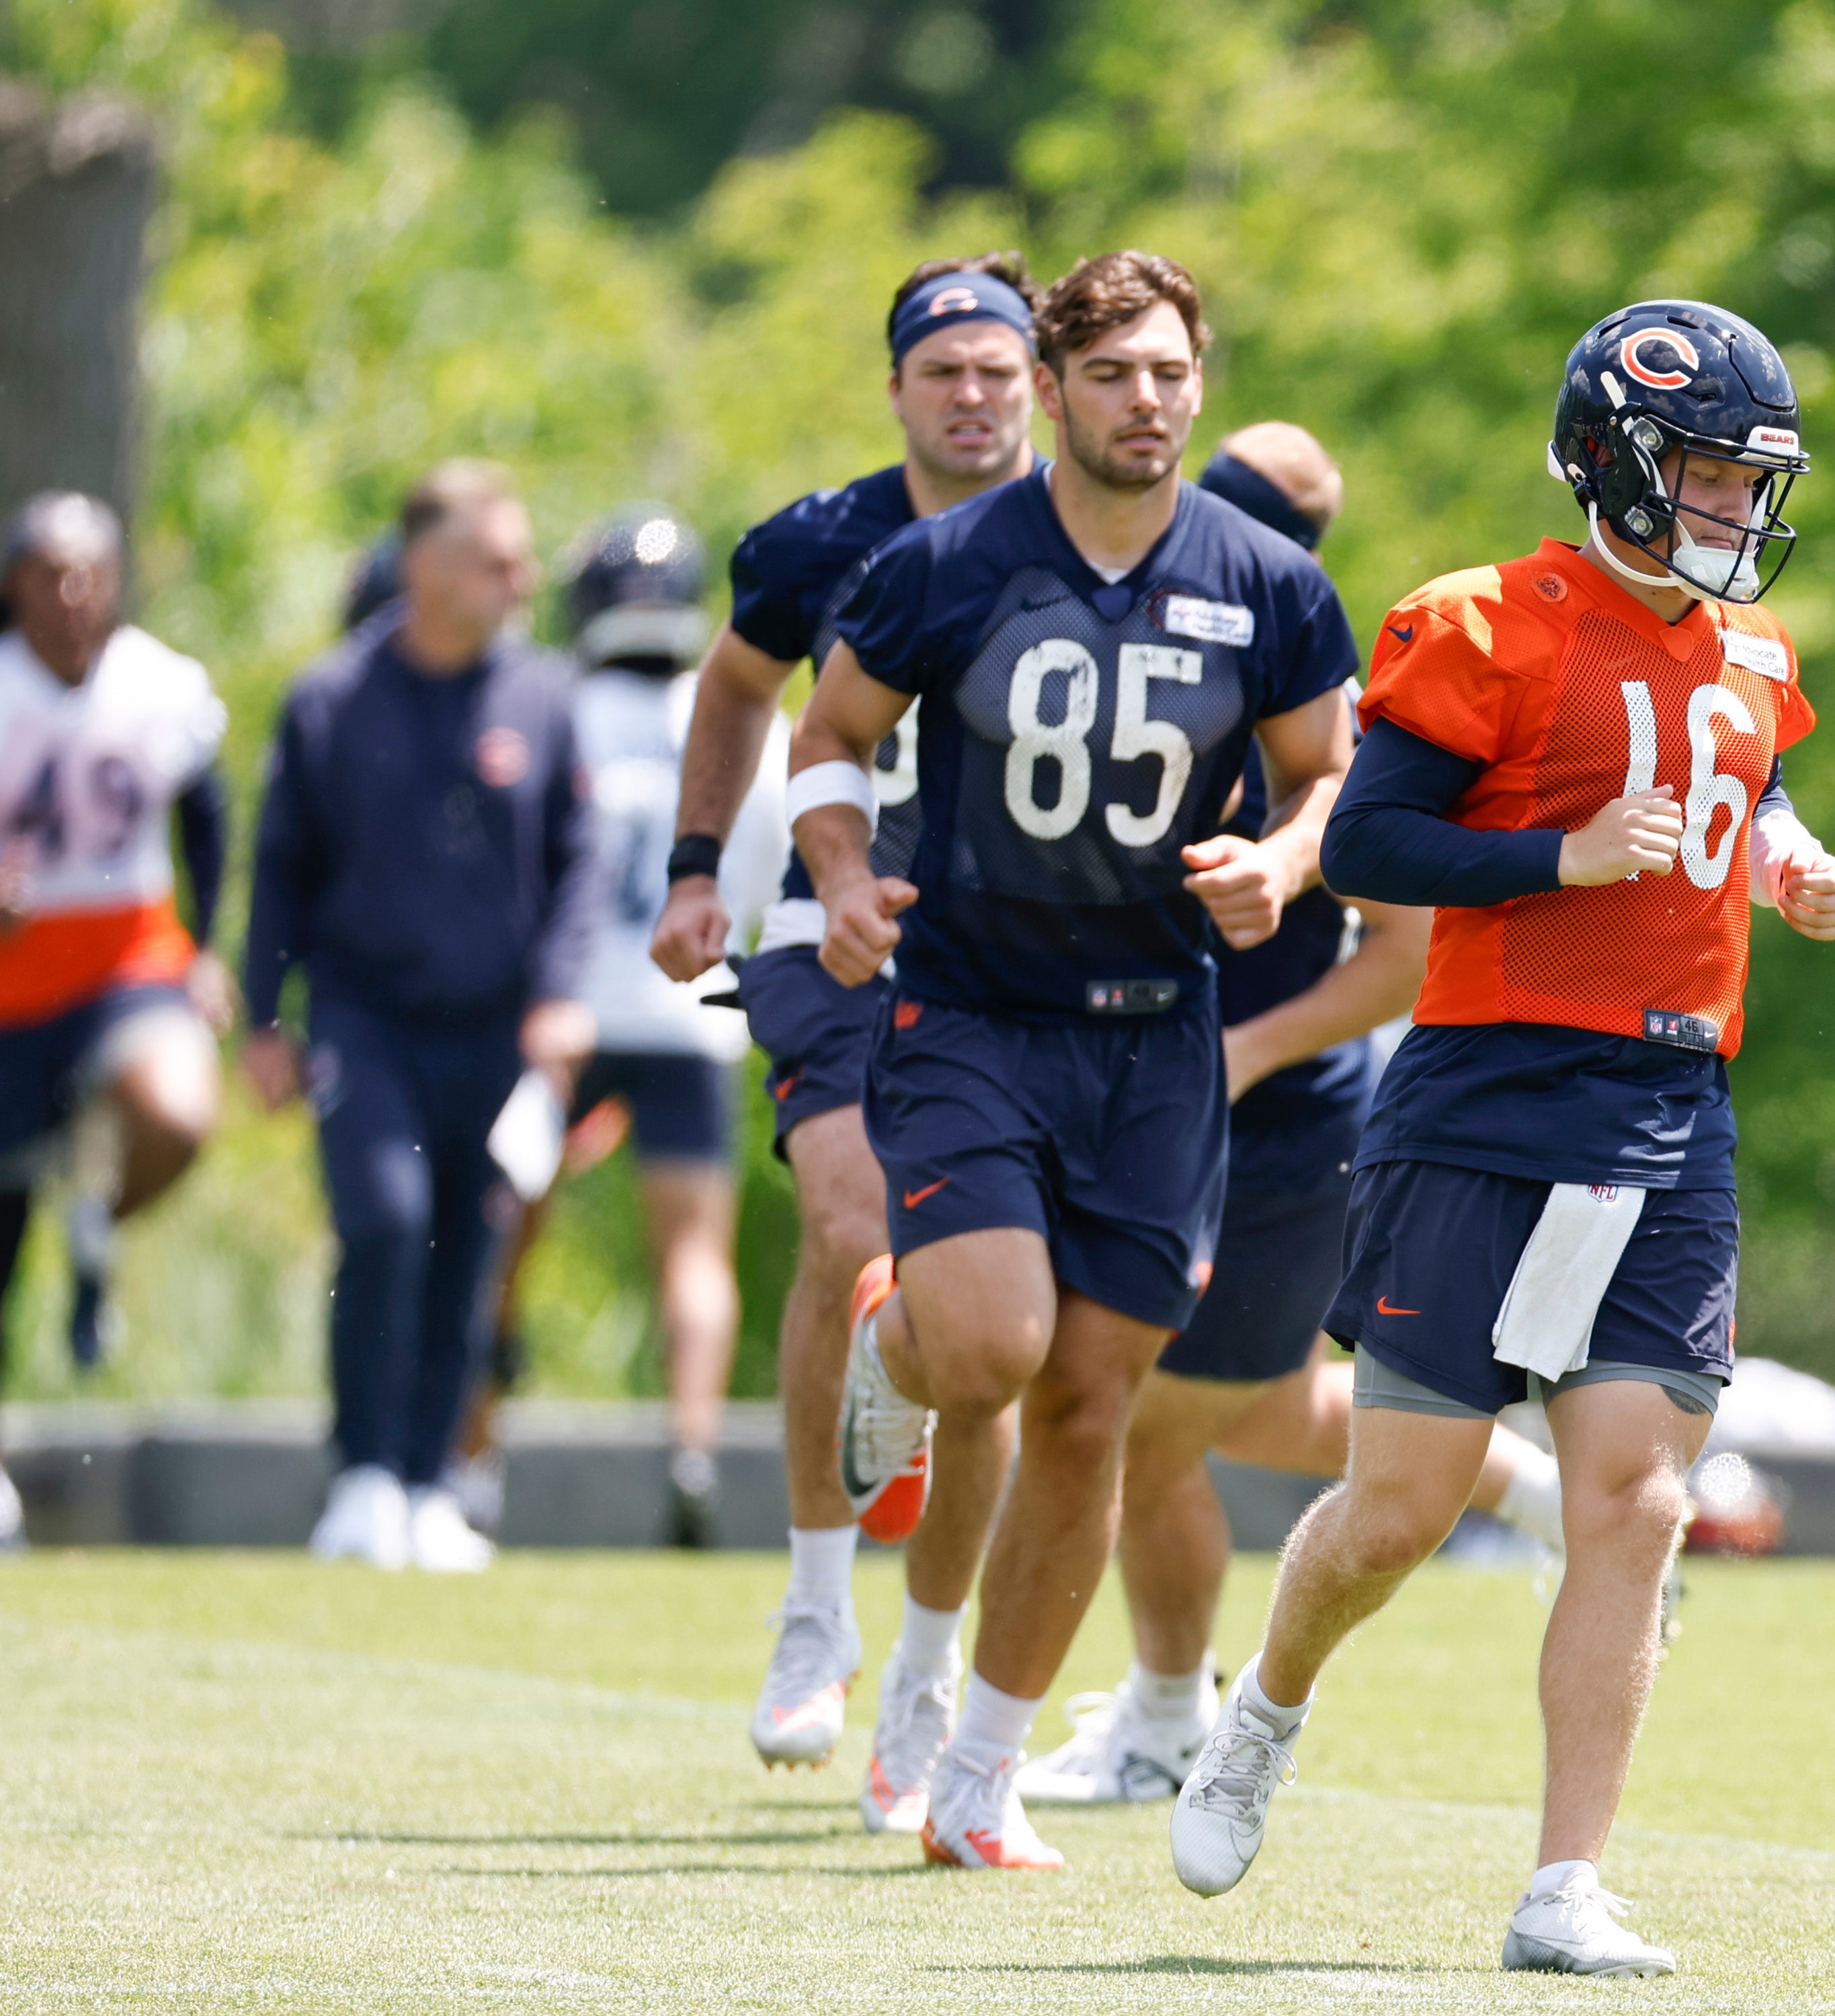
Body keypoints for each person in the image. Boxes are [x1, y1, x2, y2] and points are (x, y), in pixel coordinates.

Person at [1168, 300, 1835, 1976]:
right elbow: (1371, 843)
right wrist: (1560, 858)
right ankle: (1260, 1706)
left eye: (1742, 476)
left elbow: (1740, 784)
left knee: (1631, 1496)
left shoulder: (1750, 653)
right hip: (1485, 1091)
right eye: (1699, 470)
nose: (1726, 508)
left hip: (1669, 1098)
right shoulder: (1483, 622)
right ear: (1616, 466)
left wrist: (1785, 859)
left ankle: (1563, 1881)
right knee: (1396, 1506)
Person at [792, 249, 1358, 1871]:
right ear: (1050, 392)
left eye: (1172, 372)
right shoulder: (947, 561)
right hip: (972, 1008)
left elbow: (1325, 774)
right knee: (989, 1349)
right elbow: (826, 735)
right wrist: (839, 880)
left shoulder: (1267, 580)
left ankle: (977, 1774)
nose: (1147, 402)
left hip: (1154, 1037)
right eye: (1111, 374)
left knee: (1093, 1401)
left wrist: (1287, 862)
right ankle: (890, 1347)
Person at [1011, 424, 1570, 1810]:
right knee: (1228, 1404)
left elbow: (1400, 950)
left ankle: (1163, 1716)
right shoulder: (1147, 659)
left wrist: (1235, 1057)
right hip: (1152, 1096)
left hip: (1277, 1116)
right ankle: (1518, 1486)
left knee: (1147, 1419)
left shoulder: (1323, 714)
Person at [646, 254, 1040, 1797]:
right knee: (846, 1217)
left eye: (996, 369)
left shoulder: (1098, 539)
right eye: (942, 368)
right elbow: (736, 684)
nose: (970, 393)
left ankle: (927, 1673)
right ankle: (815, 1606)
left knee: (988, 1333)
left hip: (1025, 961)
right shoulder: (818, 537)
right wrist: (693, 870)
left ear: (1037, 384)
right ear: (896, 387)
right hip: (839, 924)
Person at [244, 460, 600, 1575]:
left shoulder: (543, 698)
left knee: (469, 1246)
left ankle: (430, 1479)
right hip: (365, 1019)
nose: (523, 578)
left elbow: (580, 862)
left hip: (497, 1030)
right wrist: (262, 1016)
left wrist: (559, 998)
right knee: (387, 1222)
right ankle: (361, 1473)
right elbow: (281, 868)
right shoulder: (332, 700)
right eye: (499, 560)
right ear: (429, 568)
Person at [0, 493, 232, 1552]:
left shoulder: (159, 686)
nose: (75, 596)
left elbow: (206, 819)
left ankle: (101, 1220)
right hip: (4, 986)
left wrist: (205, 945)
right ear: (14, 585)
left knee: (179, 1116)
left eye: (92, 573)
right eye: (51, 574)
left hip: (129, 953)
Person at [451, 507, 790, 1546]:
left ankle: (473, 1450)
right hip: (695, 1013)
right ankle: (689, 1446)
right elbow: (781, 877)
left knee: (501, 1227)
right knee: (695, 1254)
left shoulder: (554, 709)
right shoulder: (751, 724)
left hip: (571, 1014)